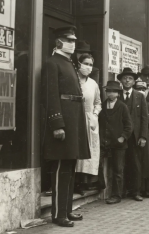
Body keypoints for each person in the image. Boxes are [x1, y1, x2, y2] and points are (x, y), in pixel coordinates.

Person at [41, 26, 90, 227]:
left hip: (74, 121)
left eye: (74, 40)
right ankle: (58, 214)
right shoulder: (53, 63)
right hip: (64, 123)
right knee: (62, 167)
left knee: (70, 166)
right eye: (68, 40)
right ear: (58, 42)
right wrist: (57, 123)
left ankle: (67, 210)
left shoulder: (68, 63)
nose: (72, 43)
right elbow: (50, 95)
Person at [99, 81, 133, 205]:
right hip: (104, 142)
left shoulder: (122, 107)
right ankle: (100, 186)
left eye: (113, 91)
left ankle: (116, 195)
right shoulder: (102, 105)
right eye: (108, 91)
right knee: (97, 164)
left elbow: (129, 126)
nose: (110, 93)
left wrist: (123, 137)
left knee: (118, 170)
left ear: (118, 93)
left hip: (118, 144)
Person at [118, 67, 148, 201]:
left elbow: (144, 118)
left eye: (130, 78)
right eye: (124, 78)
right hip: (121, 136)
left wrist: (143, 136)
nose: (127, 80)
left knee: (135, 164)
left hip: (135, 136)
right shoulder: (117, 95)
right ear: (121, 81)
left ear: (134, 81)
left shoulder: (140, 96)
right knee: (120, 164)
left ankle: (135, 191)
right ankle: (121, 191)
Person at [75, 54, 102, 190]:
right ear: (79, 64)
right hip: (75, 119)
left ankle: (85, 182)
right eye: (86, 63)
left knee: (89, 151)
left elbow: (98, 103)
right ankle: (75, 182)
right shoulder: (73, 80)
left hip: (90, 119)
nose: (88, 67)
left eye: (91, 65)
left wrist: (95, 114)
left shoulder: (93, 84)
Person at [133, 80, 149, 198]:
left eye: (143, 90)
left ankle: (147, 188)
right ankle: (137, 188)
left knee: (147, 163)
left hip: (146, 135)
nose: (141, 92)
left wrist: (147, 116)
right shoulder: (133, 102)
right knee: (137, 163)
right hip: (135, 135)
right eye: (138, 89)